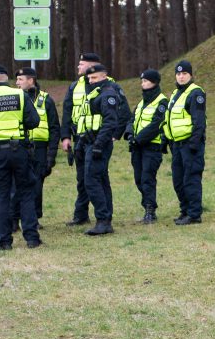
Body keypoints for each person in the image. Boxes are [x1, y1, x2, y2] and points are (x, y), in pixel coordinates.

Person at [0, 64, 42, 250]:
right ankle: (32, 238)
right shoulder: (20, 95)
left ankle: (4, 241)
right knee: (26, 192)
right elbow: (34, 121)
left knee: (3, 195)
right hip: (20, 149)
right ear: (7, 78)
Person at [78, 64, 122, 235]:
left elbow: (110, 122)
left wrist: (98, 145)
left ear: (104, 76)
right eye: (89, 78)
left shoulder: (108, 94)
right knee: (101, 180)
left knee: (91, 180)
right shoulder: (95, 94)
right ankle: (105, 220)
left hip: (99, 144)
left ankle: (103, 220)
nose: (91, 81)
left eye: (94, 78)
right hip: (91, 142)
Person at [59, 52, 102, 226]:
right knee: (81, 178)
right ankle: (81, 215)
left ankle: (103, 216)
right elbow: (67, 112)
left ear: (91, 66)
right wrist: (65, 137)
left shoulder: (107, 84)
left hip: (98, 139)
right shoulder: (74, 86)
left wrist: (113, 134)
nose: (78, 67)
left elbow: (120, 113)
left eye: (81, 64)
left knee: (95, 177)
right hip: (79, 139)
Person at [163, 60, 206, 225]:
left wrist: (194, 144)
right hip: (177, 145)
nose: (181, 77)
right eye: (178, 74)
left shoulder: (196, 93)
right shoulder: (176, 93)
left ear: (191, 75)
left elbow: (199, 121)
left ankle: (194, 214)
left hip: (190, 144)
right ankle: (185, 211)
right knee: (178, 180)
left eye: (184, 74)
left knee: (191, 179)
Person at [16, 67, 59, 226]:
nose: (17, 83)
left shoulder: (46, 100)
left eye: (20, 79)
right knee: (19, 183)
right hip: (21, 147)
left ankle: (34, 218)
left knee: (37, 184)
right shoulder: (16, 99)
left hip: (40, 149)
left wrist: (51, 155)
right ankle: (16, 218)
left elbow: (55, 129)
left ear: (31, 80)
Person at [127, 69, 168, 223]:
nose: (143, 84)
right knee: (139, 178)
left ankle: (150, 210)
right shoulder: (141, 103)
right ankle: (147, 207)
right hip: (137, 147)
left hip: (152, 147)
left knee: (147, 178)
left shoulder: (162, 101)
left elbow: (156, 124)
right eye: (142, 81)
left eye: (146, 81)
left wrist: (138, 139)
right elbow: (132, 120)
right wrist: (130, 135)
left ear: (155, 82)